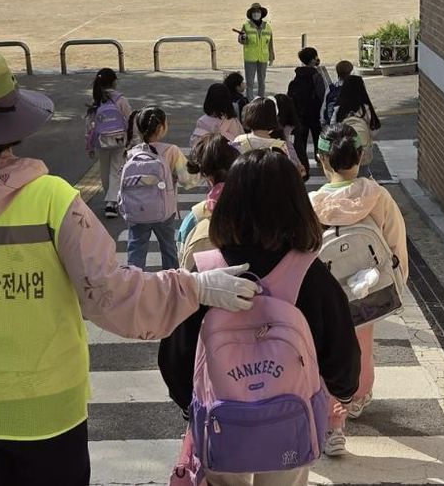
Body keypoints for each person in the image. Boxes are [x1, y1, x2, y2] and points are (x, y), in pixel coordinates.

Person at [0, 50, 260, 486]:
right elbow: (110, 294)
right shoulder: (52, 200)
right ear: (12, 124)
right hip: (48, 401)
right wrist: (195, 288)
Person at [158, 149, 360, 483]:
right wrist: (344, 391)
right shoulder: (307, 272)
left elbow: (175, 352)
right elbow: (340, 345)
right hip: (291, 416)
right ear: (296, 205)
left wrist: (188, 404)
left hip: (221, 417)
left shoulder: (208, 271)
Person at [309, 124, 408, 456]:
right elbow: (395, 243)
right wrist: (395, 283)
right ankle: (358, 397)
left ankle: (333, 425)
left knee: (327, 354)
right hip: (368, 288)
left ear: (321, 159)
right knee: (362, 346)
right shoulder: (378, 197)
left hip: (326, 297)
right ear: (361, 156)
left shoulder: (312, 204)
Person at [123, 106, 200, 270]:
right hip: (164, 211)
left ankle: (133, 281)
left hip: (137, 210)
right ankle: (171, 280)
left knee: (135, 250)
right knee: (168, 249)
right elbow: (188, 181)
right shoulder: (172, 151)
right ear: (160, 128)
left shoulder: (132, 153)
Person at [177, 133, 240, 271]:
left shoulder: (195, 217)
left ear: (206, 175)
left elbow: (183, 258)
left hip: (204, 281)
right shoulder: (254, 207)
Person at [85, 67, 133, 219]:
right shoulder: (120, 100)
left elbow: (90, 125)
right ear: (114, 82)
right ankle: (111, 202)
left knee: (104, 170)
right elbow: (130, 118)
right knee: (116, 169)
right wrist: (133, 139)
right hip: (119, 140)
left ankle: (109, 200)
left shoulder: (97, 100)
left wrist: (89, 145)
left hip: (101, 141)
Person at [287, 47, 326, 179]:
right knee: (317, 138)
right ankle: (319, 160)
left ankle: (301, 163)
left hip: (300, 115)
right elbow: (322, 95)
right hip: (315, 113)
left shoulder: (297, 76)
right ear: (314, 59)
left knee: (301, 140)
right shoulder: (316, 76)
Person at [238, 2, 275, 100]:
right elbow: (241, 40)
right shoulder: (246, 25)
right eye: (254, 12)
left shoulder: (267, 26)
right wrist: (243, 37)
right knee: (250, 82)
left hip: (263, 58)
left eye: (258, 11)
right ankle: (250, 101)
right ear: (251, 14)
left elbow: (270, 43)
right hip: (250, 58)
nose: (256, 13)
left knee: (262, 82)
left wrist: (271, 57)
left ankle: (261, 101)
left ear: (261, 13)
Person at [189, 83, 244, 148]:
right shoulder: (232, 121)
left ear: (208, 100)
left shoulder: (201, 121)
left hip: (207, 153)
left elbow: (194, 144)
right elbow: (239, 144)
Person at [272, 93, 306, 177]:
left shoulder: (271, 128)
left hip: (276, 167)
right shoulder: (294, 127)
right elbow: (298, 149)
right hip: (294, 167)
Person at [321, 60, 353, 125]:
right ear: (350, 73)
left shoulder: (331, 87)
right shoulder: (354, 87)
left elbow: (324, 106)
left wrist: (322, 121)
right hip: (348, 125)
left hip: (331, 125)